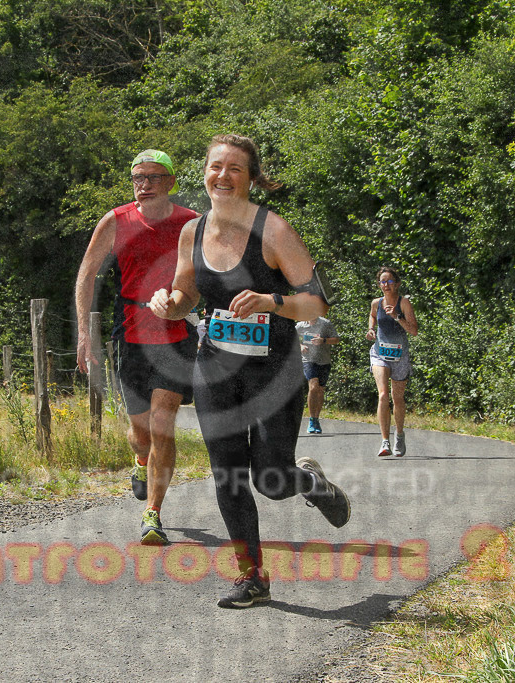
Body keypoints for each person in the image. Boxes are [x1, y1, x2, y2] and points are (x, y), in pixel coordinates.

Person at [149, 134, 350, 609]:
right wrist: (167, 304)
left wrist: (271, 301)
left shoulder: (274, 232)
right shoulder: (191, 233)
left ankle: (309, 481)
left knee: (269, 479)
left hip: (274, 372)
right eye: (215, 166)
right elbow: (185, 297)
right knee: (228, 476)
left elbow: (317, 304)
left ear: (250, 178)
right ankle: (252, 576)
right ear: (204, 171)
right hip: (214, 368)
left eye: (235, 169)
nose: (222, 176)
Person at [75, 149, 199, 546]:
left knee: (163, 428)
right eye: (136, 177)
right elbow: (87, 274)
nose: (142, 184)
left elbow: (211, 275)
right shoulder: (116, 220)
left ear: (170, 182)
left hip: (175, 335)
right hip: (129, 333)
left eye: (151, 177)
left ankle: (153, 514)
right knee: (140, 432)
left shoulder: (191, 224)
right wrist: (83, 333)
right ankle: (139, 460)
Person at [365, 267, 418, 457]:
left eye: (389, 281)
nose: (385, 285)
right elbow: (372, 316)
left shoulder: (404, 303)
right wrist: (371, 329)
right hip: (380, 353)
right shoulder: (376, 303)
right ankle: (385, 441)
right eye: (382, 281)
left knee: (397, 398)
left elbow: (413, 331)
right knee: (383, 395)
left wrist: (397, 317)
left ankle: (400, 435)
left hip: (399, 356)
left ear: (397, 284)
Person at [296, 316, 339, 434]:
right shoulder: (301, 325)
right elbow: (291, 338)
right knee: (313, 386)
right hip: (308, 360)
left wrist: (323, 340)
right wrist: (300, 346)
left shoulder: (325, 324)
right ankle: (311, 419)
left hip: (324, 361)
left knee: (320, 390)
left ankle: (316, 419)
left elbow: (336, 339)